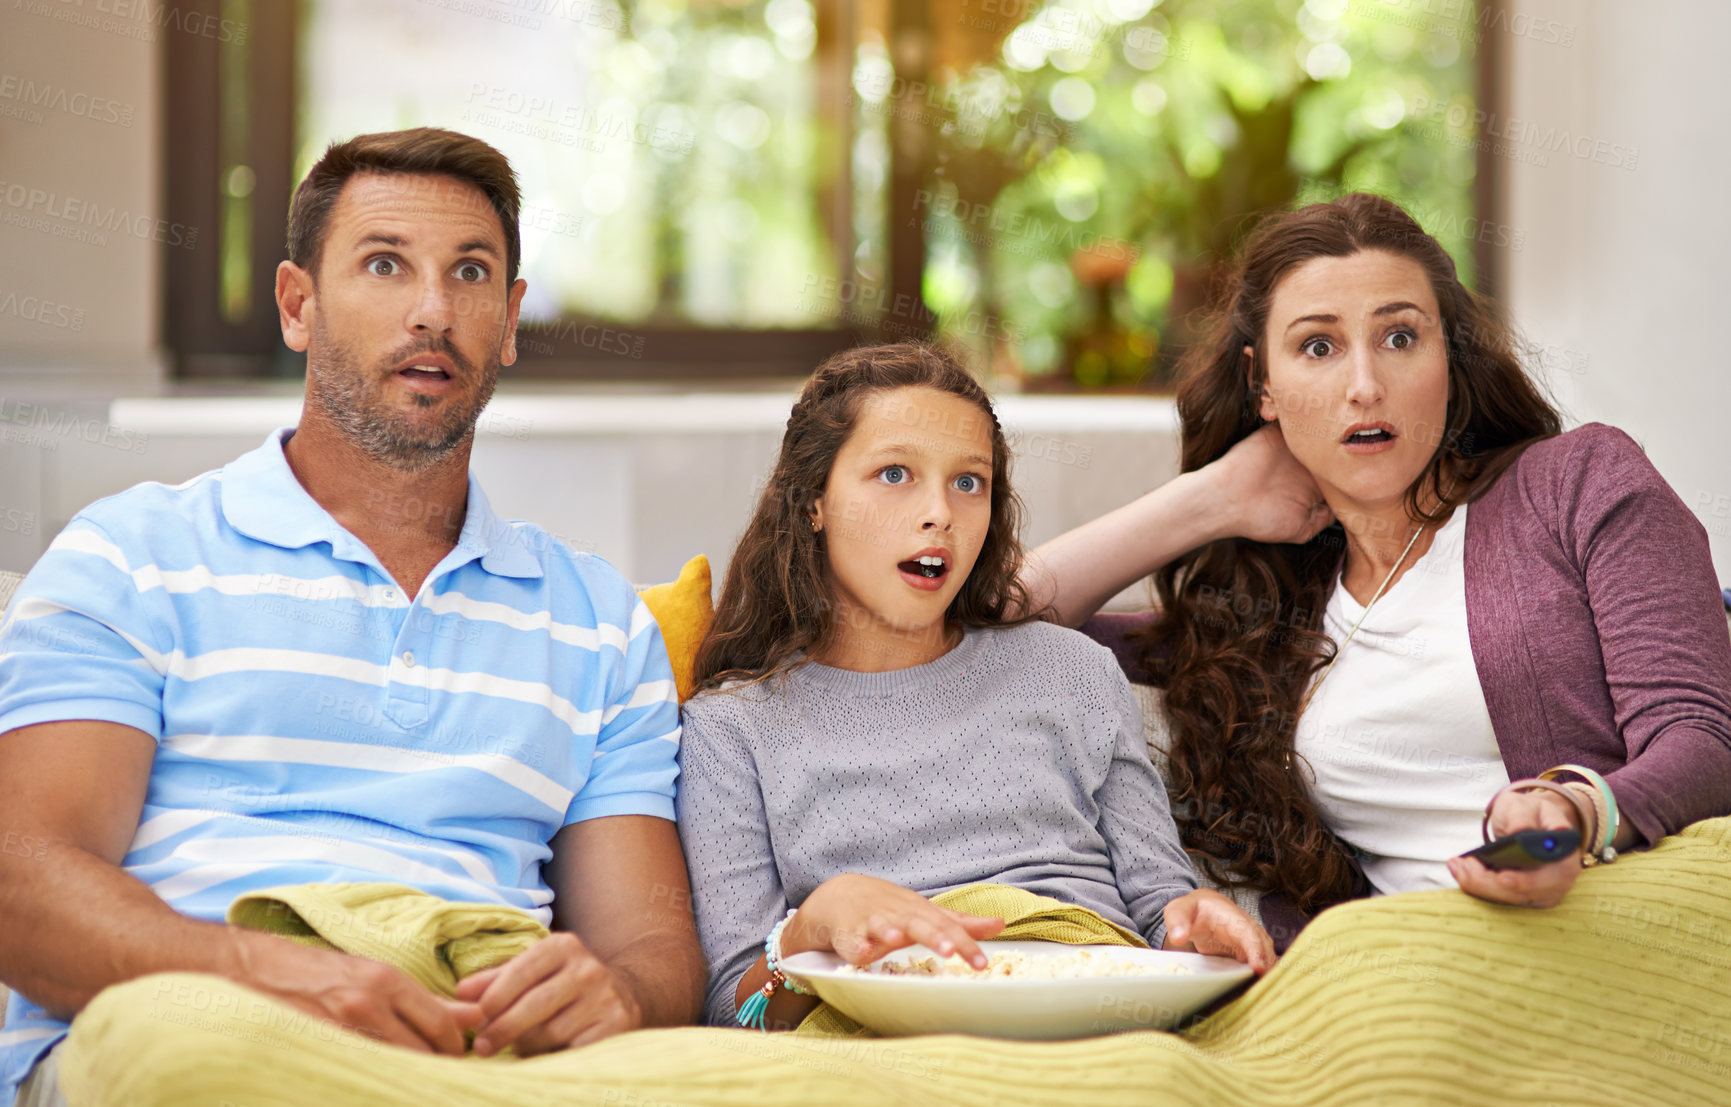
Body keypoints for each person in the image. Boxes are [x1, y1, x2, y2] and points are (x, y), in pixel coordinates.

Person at [0, 128, 704, 1107]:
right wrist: (274, 975)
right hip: (189, 1028)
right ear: (299, 304)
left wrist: (616, 995)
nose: (432, 311)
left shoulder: (597, 622)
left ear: (508, 321)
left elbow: (652, 943)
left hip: (474, 1049)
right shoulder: (130, 556)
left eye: (470, 274)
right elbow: (22, 886)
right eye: (385, 265)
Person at [1023, 193, 1731, 938]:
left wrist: (1571, 812)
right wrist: (1208, 498)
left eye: (1399, 337)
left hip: (1611, 926)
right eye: (1318, 347)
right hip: (1393, 973)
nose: (1364, 385)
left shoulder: (1576, 482)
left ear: (1447, 358)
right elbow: (990, 620)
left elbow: (1700, 737)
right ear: (1262, 383)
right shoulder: (1263, 612)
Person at [677, 343, 1273, 1033]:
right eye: (894, 473)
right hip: (879, 1038)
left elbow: (1161, 906)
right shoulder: (731, 728)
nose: (939, 512)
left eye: (969, 482)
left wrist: (1195, 919)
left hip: (1097, 1017)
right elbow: (734, 1009)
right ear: (812, 500)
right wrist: (812, 923)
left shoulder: (1071, 671)